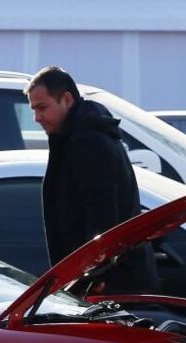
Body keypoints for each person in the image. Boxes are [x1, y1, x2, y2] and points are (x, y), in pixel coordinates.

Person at [25, 66, 158, 293]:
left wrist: (95, 276)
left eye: (42, 108)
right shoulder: (75, 137)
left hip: (110, 284)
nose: (37, 118)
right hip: (106, 277)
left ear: (66, 100)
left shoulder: (89, 142)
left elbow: (102, 215)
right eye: (33, 110)